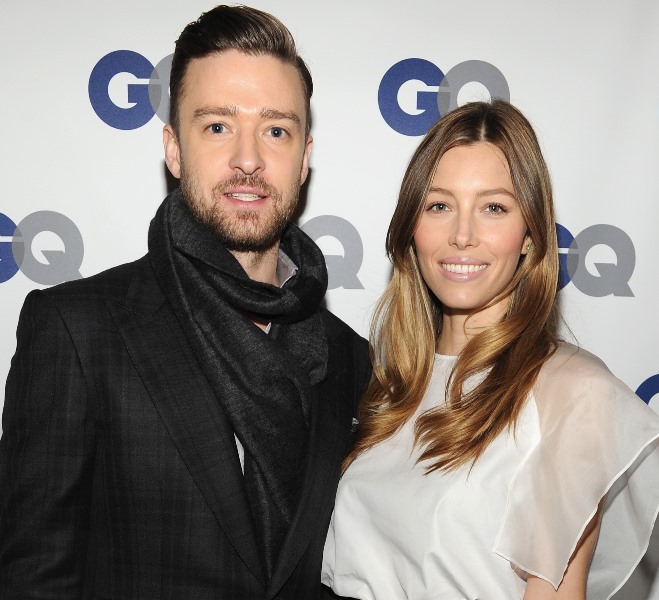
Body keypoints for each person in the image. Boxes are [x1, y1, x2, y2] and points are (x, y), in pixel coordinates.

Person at [0, 5, 370, 599]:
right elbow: (32, 578)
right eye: (218, 126)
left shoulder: (350, 358)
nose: (248, 159)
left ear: (304, 158)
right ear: (174, 150)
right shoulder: (78, 330)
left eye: (276, 130)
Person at [321, 100, 659, 600]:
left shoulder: (573, 393)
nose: (462, 235)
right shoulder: (391, 388)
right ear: (412, 228)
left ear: (529, 235)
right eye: (439, 206)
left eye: (493, 208)